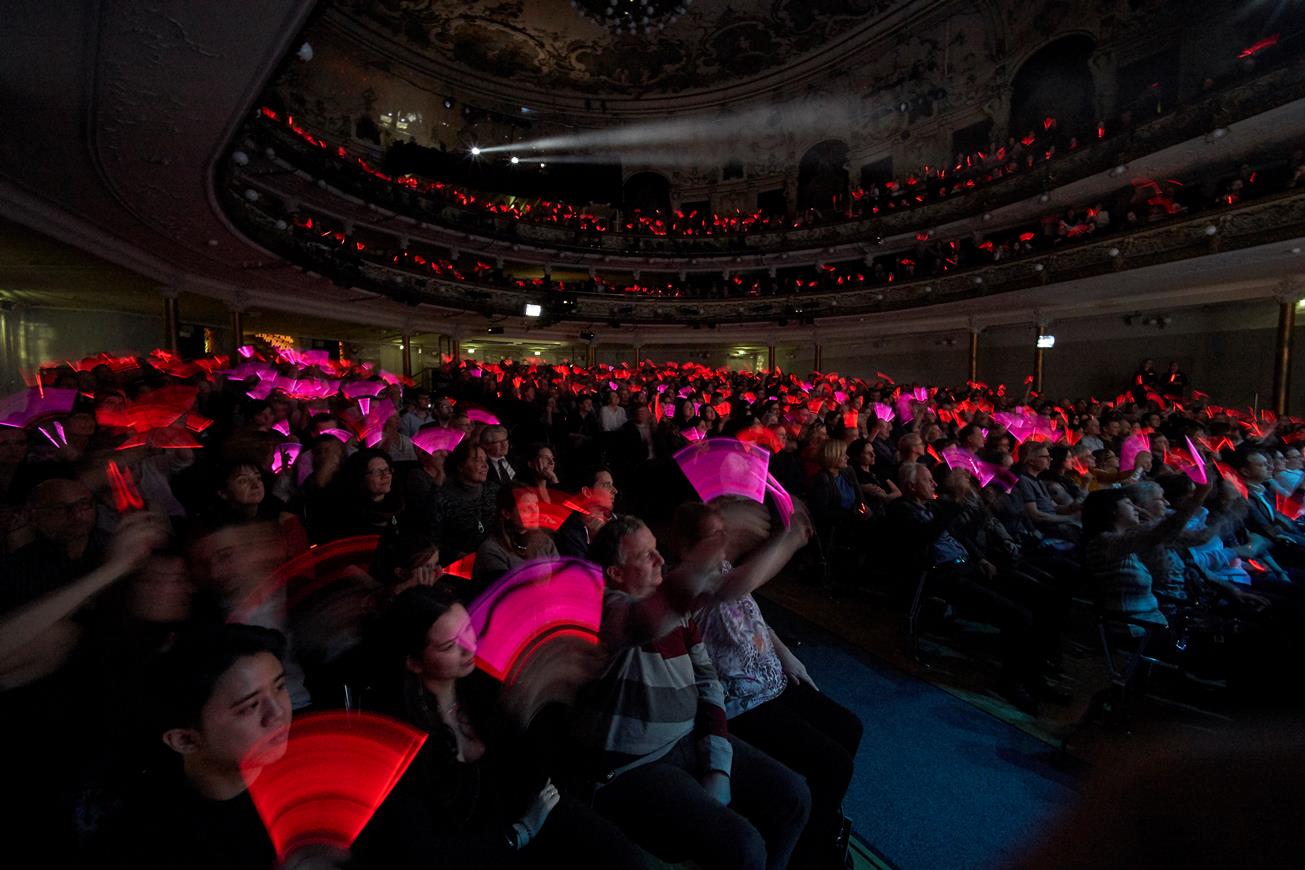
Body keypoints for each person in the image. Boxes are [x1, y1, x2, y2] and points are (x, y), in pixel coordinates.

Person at [572, 515, 811, 870]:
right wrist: (722, 543)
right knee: (744, 848)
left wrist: (718, 764)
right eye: (646, 556)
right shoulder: (602, 612)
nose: (660, 560)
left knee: (795, 796)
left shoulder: (675, 614)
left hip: (689, 738)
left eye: (657, 550)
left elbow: (708, 683)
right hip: (633, 766)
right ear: (616, 574)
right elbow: (647, 620)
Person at [356, 585, 644, 869]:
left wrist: (542, 697)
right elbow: (426, 850)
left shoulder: (481, 688)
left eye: (468, 630)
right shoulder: (397, 737)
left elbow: (528, 763)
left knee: (617, 852)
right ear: (414, 662)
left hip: (523, 805)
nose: (469, 647)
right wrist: (516, 835)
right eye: (449, 645)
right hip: (477, 848)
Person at [673, 501, 862, 870]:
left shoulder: (725, 567)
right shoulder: (686, 580)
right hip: (741, 702)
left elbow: (752, 612)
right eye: (715, 534)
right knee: (833, 766)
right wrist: (788, 539)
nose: (725, 540)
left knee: (849, 728)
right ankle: (807, 855)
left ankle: (820, 828)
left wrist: (786, 654)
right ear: (687, 545)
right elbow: (735, 587)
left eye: (723, 532)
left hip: (770, 678)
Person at [470, 485, 559, 589]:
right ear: (507, 513)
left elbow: (561, 580)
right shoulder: (491, 550)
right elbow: (506, 596)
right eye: (526, 507)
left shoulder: (545, 543)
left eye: (536, 504)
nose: (535, 511)